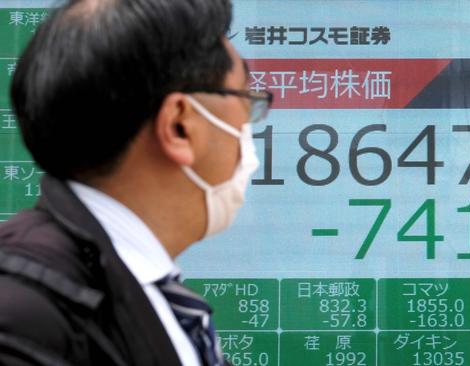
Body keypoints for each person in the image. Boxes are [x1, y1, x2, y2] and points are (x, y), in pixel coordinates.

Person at [0, 0, 271, 364]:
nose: (247, 126)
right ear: (179, 125)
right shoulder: (23, 314)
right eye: (245, 98)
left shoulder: (144, 292)